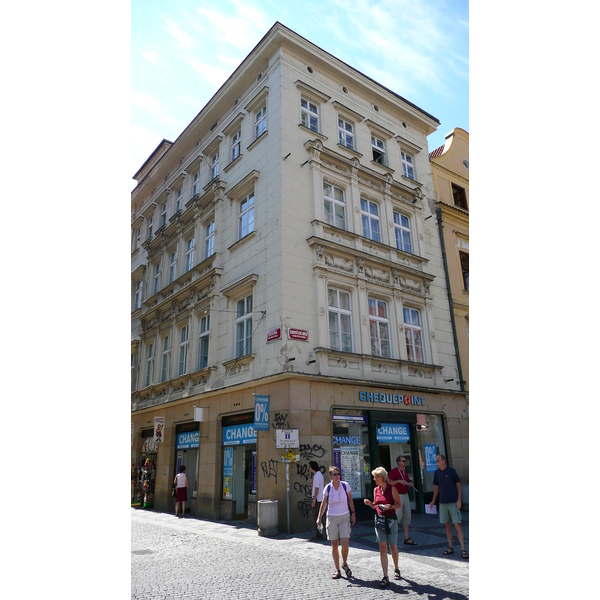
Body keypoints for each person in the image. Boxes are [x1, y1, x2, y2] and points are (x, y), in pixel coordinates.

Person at [364, 467, 402, 588]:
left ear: (381, 477)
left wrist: (390, 506)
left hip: (391, 521)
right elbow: (376, 505)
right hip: (380, 520)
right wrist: (370, 504)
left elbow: (399, 505)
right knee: (382, 546)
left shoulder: (392, 489)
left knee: (393, 546)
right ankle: (385, 576)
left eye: (376, 477)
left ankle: (396, 568)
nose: (374, 479)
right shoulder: (376, 490)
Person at [316, 466, 356, 580]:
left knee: (345, 542)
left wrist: (353, 513)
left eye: (338, 474)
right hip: (332, 517)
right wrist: (319, 517)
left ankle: (344, 563)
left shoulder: (345, 485)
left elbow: (351, 500)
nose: (337, 476)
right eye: (334, 474)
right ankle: (337, 569)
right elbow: (323, 504)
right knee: (334, 544)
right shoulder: (327, 488)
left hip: (344, 516)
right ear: (330, 476)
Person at [428, 454, 468, 559]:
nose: (436, 462)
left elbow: (458, 485)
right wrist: (433, 500)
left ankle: (463, 548)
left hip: (453, 502)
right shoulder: (436, 473)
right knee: (447, 525)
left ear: (443, 461)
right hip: (442, 503)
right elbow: (436, 487)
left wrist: (459, 500)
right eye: (436, 461)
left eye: (438, 460)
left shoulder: (451, 471)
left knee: (457, 524)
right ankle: (450, 547)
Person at [388, 455, 417, 545]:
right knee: (398, 516)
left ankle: (406, 538)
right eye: (403, 461)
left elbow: (407, 481)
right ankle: (392, 538)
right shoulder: (394, 471)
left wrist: (410, 483)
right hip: (398, 496)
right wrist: (398, 481)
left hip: (405, 495)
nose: (405, 462)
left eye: (405, 461)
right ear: (398, 462)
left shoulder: (405, 472)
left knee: (407, 516)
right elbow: (389, 481)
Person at [309, 461, 325, 540]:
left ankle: (319, 534)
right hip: (320, 498)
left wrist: (314, 500)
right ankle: (321, 534)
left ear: (312, 467)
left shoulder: (316, 476)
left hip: (318, 499)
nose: (309, 468)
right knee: (321, 517)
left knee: (316, 517)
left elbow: (317, 488)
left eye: (310, 467)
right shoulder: (319, 475)